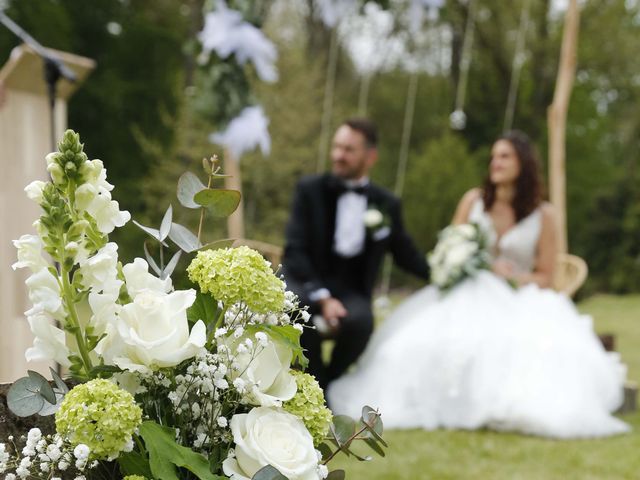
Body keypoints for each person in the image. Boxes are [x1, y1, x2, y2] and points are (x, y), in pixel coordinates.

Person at [327, 130, 630, 438]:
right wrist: (468, 264)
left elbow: (546, 277)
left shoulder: (544, 214)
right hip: (467, 292)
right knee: (416, 343)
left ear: (523, 163)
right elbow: (450, 247)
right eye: (493, 156)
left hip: (519, 298)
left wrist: (510, 277)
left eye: (504, 156)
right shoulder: (473, 200)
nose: (495, 163)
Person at [282, 118, 430, 391]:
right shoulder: (308, 190)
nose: (339, 155)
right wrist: (323, 298)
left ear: (370, 156)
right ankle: (316, 387)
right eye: (337, 147)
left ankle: (330, 385)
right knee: (293, 311)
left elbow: (405, 254)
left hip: (352, 290)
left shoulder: (385, 203)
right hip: (307, 280)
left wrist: (443, 273)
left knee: (362, 323)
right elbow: (294, 250)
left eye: (349, 149)